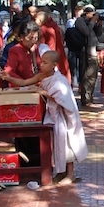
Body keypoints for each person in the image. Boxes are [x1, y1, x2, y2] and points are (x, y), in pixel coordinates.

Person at [36, 51, 88, 186]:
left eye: (45, 63)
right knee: (58, 146)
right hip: (55, 116)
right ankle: (61, 172)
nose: (41, 65)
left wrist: (44, 93)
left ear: (54, 65)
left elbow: (62, 99)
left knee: (67, 145)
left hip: (64, 118)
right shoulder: (48, 77)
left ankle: (70, 174)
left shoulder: (60, 81)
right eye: (41, 62)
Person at [75, 5, 104, 107]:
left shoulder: (92, 22)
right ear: (87, 13)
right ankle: (86, 99)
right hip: (85, 52)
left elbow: (100, 34)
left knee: (93, 75)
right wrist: (92, 21)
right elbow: (86, 32)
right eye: (92, 14)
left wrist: (99, 24)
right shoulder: (80, 21)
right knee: (87, 76)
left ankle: (89, 97)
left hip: (93, 51)